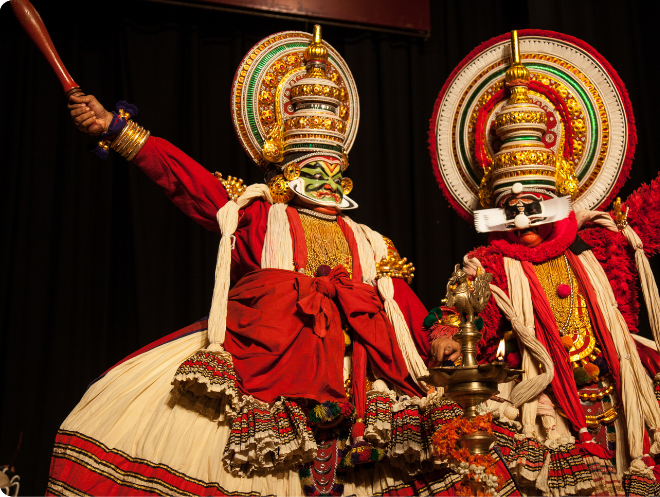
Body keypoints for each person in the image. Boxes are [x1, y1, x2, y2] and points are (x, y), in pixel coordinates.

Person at [49, 26, 508, 497]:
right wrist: (118, 129)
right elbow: (187, 182)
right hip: (268, 373)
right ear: (286, 171)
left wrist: (442, 334)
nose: (327, 181)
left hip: (361, 387)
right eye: (314, 169)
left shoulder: (371, 242)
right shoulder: (257, 216)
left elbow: (401, 306)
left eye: (336, 171)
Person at [426, 30, 660, 497]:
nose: (522, 219)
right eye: (509, 210)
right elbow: (459, 313)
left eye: (534, 205)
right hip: (544, 404)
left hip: (625, 385)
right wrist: (445, 336)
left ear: (557, 198)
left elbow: (653, 211)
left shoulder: (598, 239)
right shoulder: (489, 264)